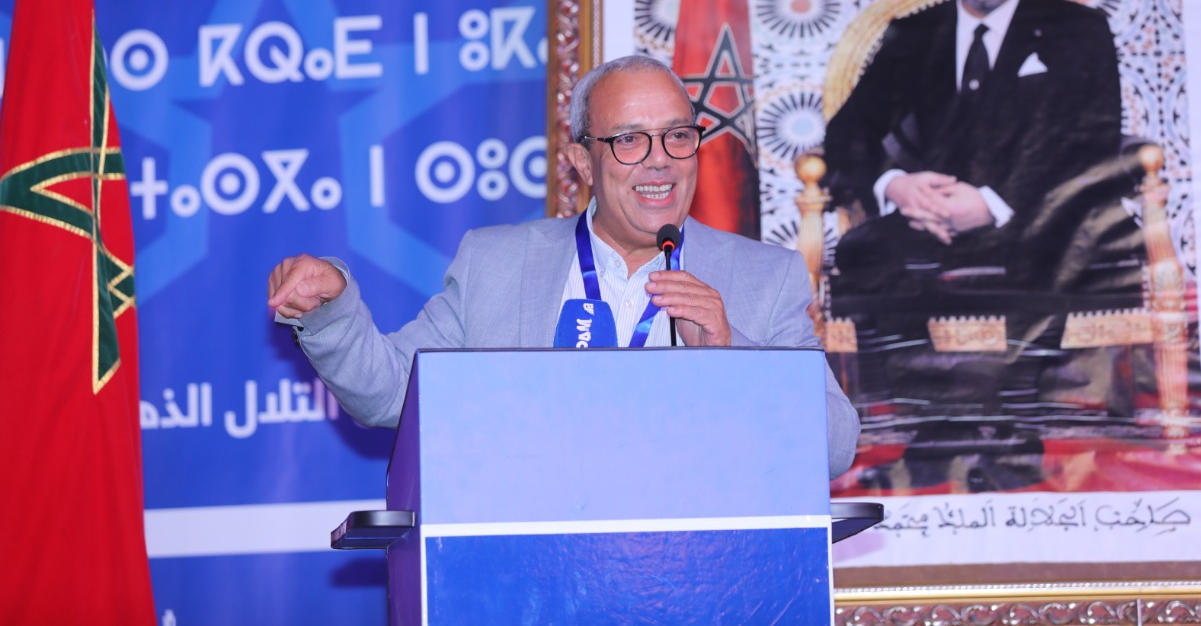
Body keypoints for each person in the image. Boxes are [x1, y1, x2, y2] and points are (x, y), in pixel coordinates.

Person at [268, 55, 859, 479]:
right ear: (581, 160)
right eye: (630, 140)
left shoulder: (766, 277)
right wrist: (332, 310)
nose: (660, 162)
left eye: (677, 136)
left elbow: (835, 447)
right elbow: (391, 394)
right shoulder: (496, 264)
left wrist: (734, 356)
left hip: (696, 577)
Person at [822, 0, 1127, 295]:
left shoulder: (1077, 29)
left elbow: (1094, 144)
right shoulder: (914, 34)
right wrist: (896, 186)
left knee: (1053, 262)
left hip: (1038, 221)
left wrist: (992, 204)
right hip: (925, 223)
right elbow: (847, 133)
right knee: (860, 253)